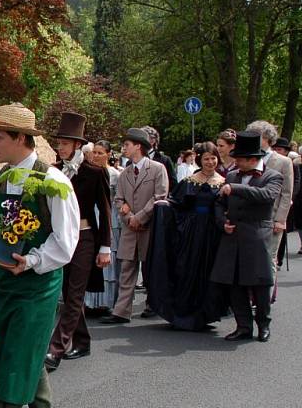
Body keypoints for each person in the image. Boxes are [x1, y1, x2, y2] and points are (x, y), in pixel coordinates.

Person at [0, 103, 79, 408]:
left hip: (37, 284)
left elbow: (65, 241)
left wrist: (33, 261)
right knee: (21, 348)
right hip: (5, 281)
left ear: (20, 138)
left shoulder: (54, 180)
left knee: (16, 353)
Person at [45, 112, 111, 371]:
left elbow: (104, 212)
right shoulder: (54, 170)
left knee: (74, 294)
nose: (59, 147)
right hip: (61, 238)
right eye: (58, 143)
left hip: (84, 238)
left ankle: (56, 348)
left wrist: (105, 247)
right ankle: (82, 341)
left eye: (63, 143)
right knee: (66, 292)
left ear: (76, 144)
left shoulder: (95, 172)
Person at [146, 142, 228, 330]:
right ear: (200, 159)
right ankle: (183, 313)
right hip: (191, 234)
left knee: (209, 272)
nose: (210, 162)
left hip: (213, 233)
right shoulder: (190, 181)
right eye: (206, 158)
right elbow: (176, 204)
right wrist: (164, 207)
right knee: (186, 269)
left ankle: (205, 314)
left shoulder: (224, 182)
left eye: (213, 158)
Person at [210, 131, 282, 342]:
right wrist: (222, 224)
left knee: (259, 284)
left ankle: (264, 324)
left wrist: (236, 188)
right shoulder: (232, 176)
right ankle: (243, 326)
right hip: (233, 237)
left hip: (257, 236)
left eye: (240, 160)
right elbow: (218, 203)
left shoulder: (272, 176)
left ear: (253, 159)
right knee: (234, 284)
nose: (236, 163)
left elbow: (266, 196)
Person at [100, 128, 169, 324]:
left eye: (127, 145)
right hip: (130, 228)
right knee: (127, 270)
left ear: (138, 146)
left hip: (150, 228)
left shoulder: (157, 168)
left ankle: (153, 304)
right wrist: (129, 217)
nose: (124, 148)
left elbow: (160, 196)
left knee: (151, 269)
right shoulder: (125, 174)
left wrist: (140, 217)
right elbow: (118, 200)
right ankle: (121, 312)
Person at [245, 121, 293, 284]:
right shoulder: (247, 158)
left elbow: (286, 193)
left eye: (256, 136)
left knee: (268, 258)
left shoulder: (283, 162)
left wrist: (281, 219)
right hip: (250, 216)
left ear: (266, 138)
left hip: (273, 217)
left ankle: (265, 297)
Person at [84, 140, 121, 313]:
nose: (97, 156)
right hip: (92, 213)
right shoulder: (89, 172)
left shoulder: (115, 174)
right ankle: (90, 301)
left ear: (108, 154)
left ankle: (107, 301)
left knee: (108, 255)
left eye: (100, 153)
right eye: (95, 152)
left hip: (109, 214)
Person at [142, 125, 177, 193]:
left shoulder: (165, 160)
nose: (151, 140)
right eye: (147, 137)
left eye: (152, 138)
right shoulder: (131, 161)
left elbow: (173, 183)